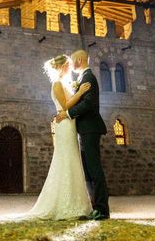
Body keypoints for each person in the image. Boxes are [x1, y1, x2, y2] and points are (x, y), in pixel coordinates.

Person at [27, 54, 93, 220]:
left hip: (69, 123)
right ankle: (66, 204)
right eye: (69, 65)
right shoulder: (57, 84)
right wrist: (80, 93)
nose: (71, 68)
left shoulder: (64, 83)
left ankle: (76, 202)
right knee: (66, 159)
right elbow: (65, 106)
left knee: (72, 160)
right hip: (64, 125)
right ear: (63, 67)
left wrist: (77, 92)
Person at [55, 49, 110, 220]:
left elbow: (88, 104)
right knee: (88, 170)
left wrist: (68, 114)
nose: (71, 64)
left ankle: (103, 210)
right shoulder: (82, 78)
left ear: (80, 60)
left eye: (73, 61)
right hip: (84, 128)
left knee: (94, 168)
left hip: (90, 128)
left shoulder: (88, 78)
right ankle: (95, 207)